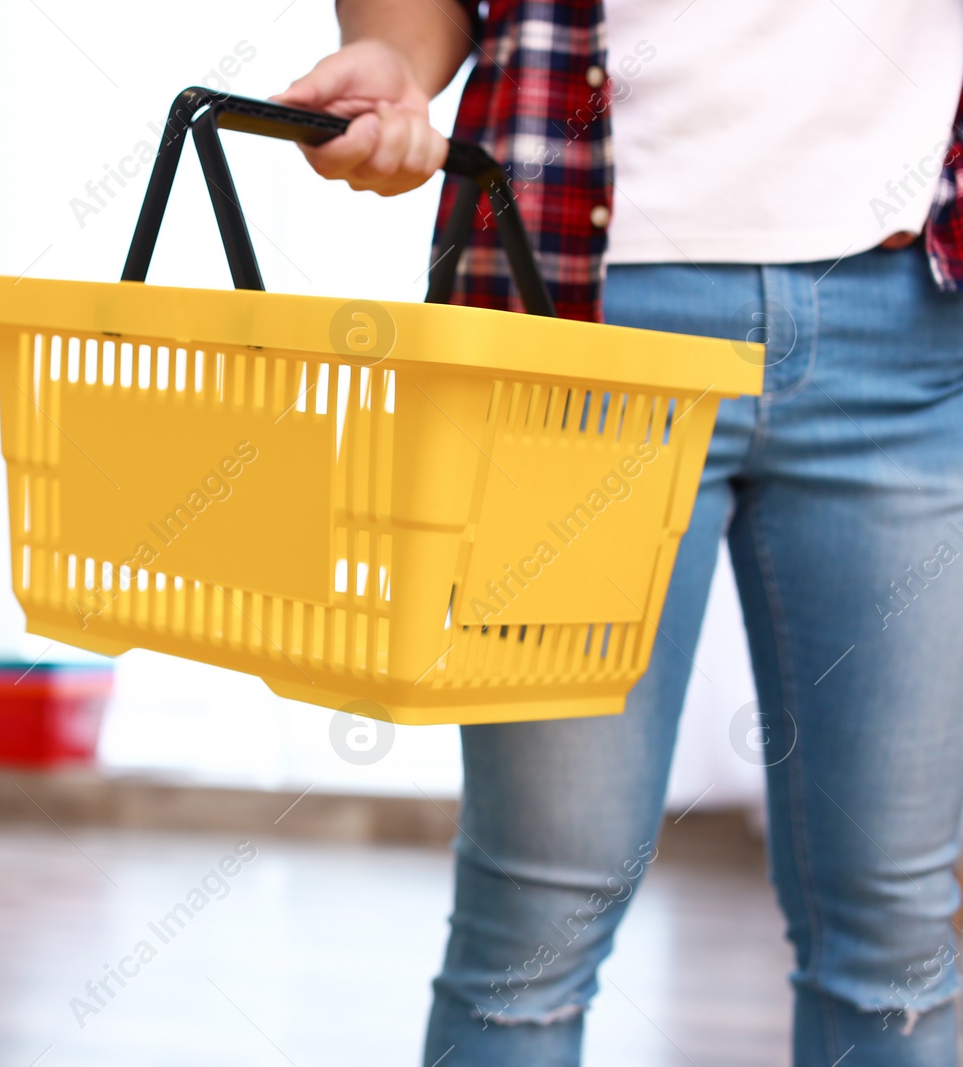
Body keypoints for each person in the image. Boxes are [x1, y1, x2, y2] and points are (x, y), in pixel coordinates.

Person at [279, 2, 963, 1064]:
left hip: (911, 319)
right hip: (573, 328)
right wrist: (395, 61)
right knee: (533, 932)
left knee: (899, 934)